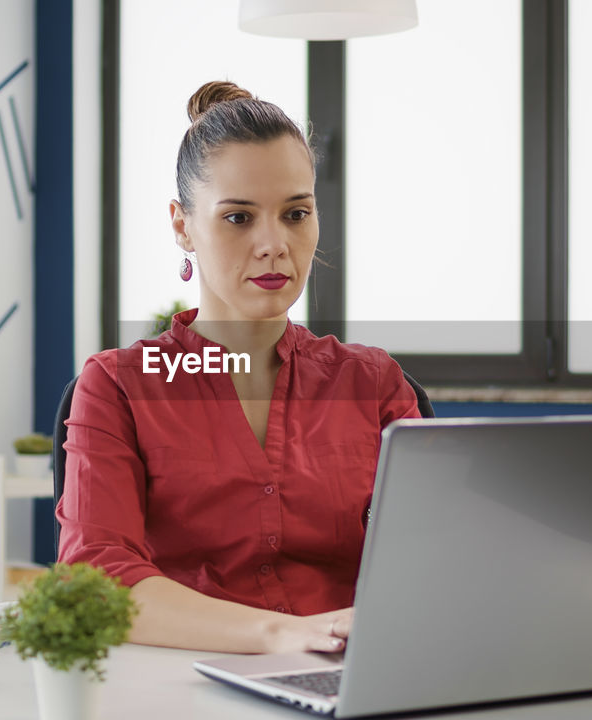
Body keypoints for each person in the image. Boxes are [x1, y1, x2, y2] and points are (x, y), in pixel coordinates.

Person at [56, 81, 420, 655]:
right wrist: (283, 633)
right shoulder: (118, 386)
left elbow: (434, 551)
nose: (274, 244)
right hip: (184, 682)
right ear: (182, 226)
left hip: (352, 679)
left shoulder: (372, 383)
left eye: (295, 213)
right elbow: (96, 575)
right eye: (238, 218)